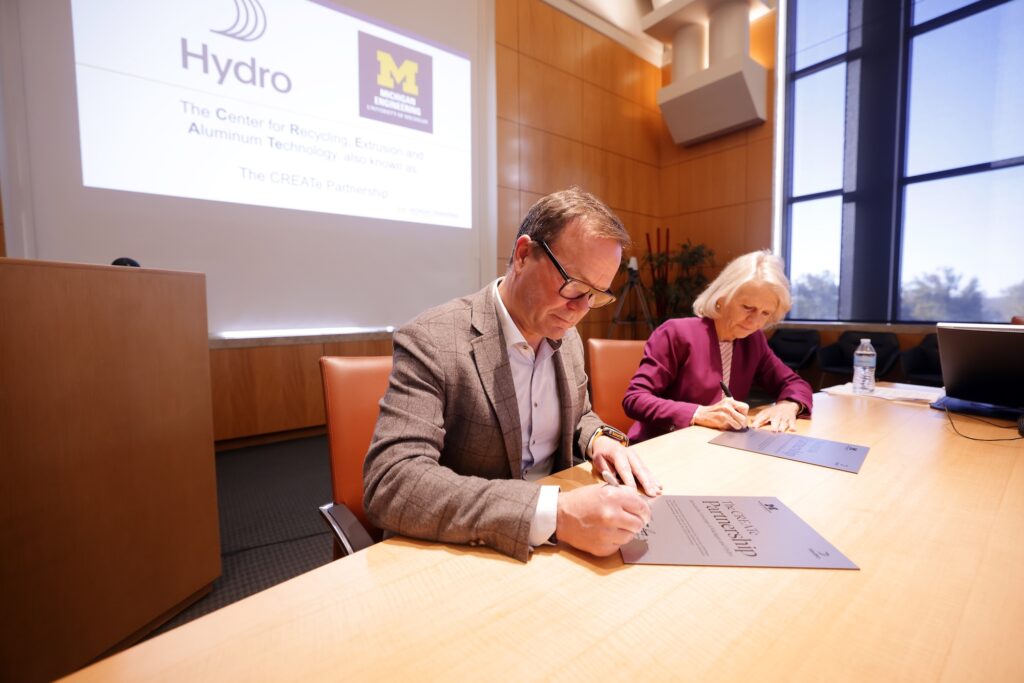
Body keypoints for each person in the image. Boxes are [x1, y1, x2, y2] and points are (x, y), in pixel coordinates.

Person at [363, 188, 661, 562]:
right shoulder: (433, 339)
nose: (580, 310)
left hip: (561, 546)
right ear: (523, 255)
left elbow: (580, 415)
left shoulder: (565, 337)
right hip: (472, 550)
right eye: (574, 286)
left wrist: (600, 441)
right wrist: (556, 513)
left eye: (596, 295)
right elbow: (393, 482)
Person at [623, 250, 812, 442]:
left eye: (765, 313)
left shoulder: (753, 341)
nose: (755, 322)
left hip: (717, 446)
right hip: (663, 444)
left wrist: (789, 405)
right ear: (722, 297)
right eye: (748, 308)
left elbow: (794, 383)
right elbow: (635, 398)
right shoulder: (676, 333)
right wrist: (698, 413)